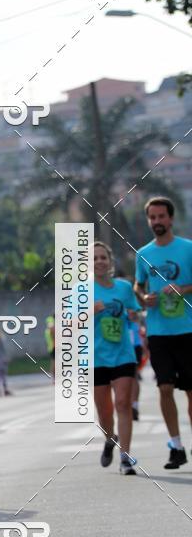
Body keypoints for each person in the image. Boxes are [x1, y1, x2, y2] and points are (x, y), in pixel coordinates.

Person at [134, 197, 192, 469]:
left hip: (187, 329)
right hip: (158, 332)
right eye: (152, 217)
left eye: (161, 216)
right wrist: (144, 297)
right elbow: (138, 285)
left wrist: (184, 289)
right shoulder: (143, 253)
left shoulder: (188, 248)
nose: (157, 221)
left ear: (171, 218)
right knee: (165, 388)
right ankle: (176, 446)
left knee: (191, 391)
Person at [94, 241, 140, 476]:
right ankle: (110, 438)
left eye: (103, 257)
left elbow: (135, 313)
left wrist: (134, 315)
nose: (99, 261)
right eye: (94, 258)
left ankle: (125, 458)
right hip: (96, 357)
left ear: (110, 261)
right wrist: (90, 311)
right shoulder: (81, 291)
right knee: (104, 412)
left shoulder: (124, 287)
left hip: (123, 353)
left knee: (123, 403)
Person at [45, 314, 56, 381]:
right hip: (53, 346)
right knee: (54, 362)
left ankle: (55, 378)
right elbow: (51, 329)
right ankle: (54, 378)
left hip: (53, 345)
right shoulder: (51, 319)